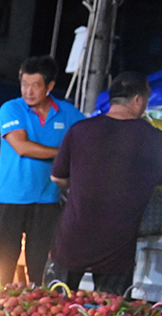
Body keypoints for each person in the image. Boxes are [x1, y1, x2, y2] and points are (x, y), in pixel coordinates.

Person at [45, 73, 162, 296]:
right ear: (137, 100)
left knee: (52, 314)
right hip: (116, 249)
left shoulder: (80, 130)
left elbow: (57, 177)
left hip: (71, 241)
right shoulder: (153, 139)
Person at [0, 56, 83, 287]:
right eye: (24, 84)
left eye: (35, 85)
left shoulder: (69, 114)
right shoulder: (11, 108)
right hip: (10, 199)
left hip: (47, 201)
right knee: (1, 267)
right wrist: (64, 153)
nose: (28, 91)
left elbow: (88, 141)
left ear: (50, 87)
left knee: (41, 268)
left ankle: (35, 313)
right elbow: (21, 146)